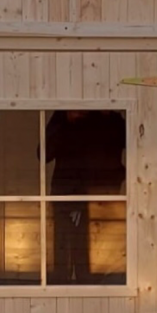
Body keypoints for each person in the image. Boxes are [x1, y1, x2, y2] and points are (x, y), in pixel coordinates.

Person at [43, 110, 126, 283]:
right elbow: (43, 153)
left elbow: (139, 145)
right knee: (61, 258)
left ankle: (94, 292)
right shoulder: (64, 117)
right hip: (65, 196)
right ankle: (58, 292)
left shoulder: (110, 119)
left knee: (94, 259)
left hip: (100, 199)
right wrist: (66, 120)